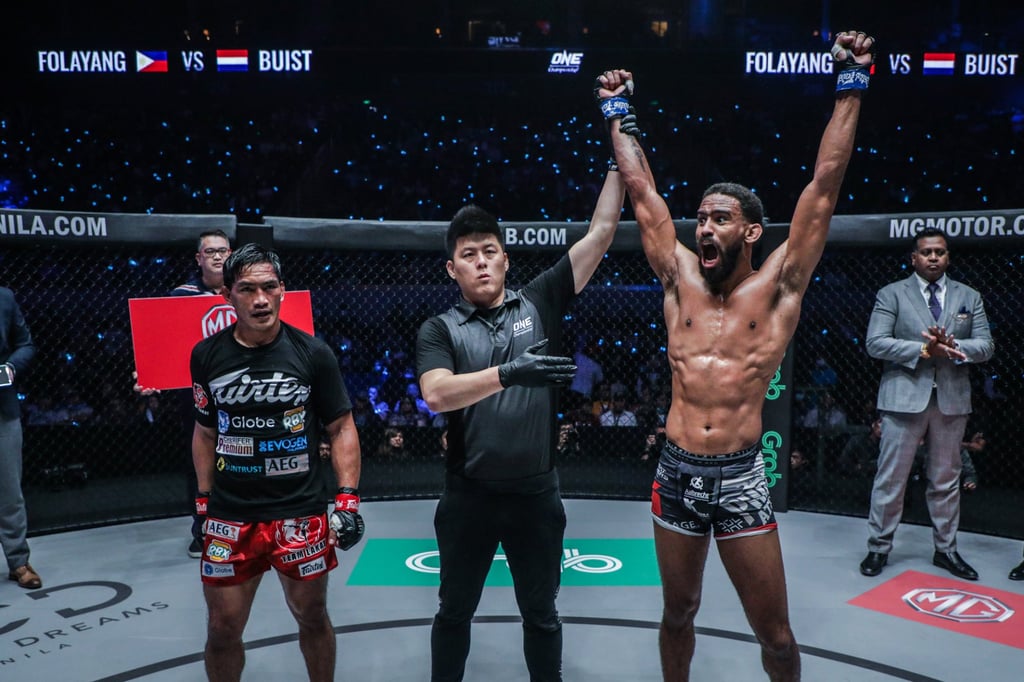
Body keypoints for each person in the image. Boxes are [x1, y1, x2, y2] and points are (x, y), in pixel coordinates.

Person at [599, 29, 874, 681]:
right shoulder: (678, 276)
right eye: (701, 218)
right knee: (677, 615)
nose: (704, 227)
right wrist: (616, 112)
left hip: (743, 478)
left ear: (750, 230)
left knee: (776, 637)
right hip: (677, 470)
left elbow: (826, 183)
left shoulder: (779, 286)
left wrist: (853, 81)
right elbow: (641, 191)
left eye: (719, 218)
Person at [415, 162, 626, 680]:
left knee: (542, 612)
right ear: (452, 269)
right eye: (469, 255)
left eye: (490, 252)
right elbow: (437, 395)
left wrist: (621, 160)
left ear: (506, 260)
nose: (481, 263)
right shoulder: (439, 329)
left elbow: (600, 234)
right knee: (454, 609)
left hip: (536, 494)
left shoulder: (540, 299)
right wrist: (510, 372)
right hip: (470, 494)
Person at [189, 243, 363, 681]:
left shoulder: (313, 354)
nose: (261, 299)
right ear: (228, 295)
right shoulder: (205, 355)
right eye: (247, 289)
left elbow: (341, 426)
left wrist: (347, 500)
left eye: (269, 287)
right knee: (222, 628)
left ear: (283, 290)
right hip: (232, 512)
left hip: (299, 508)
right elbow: (205, 432)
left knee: (312, 614)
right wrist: (205, 502)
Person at [860, 227, 994, 580]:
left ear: (948, 256)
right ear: (914, 258)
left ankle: (946, 550)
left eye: (940, 252)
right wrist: (922, 350)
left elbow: (986, 345)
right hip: (903, 398)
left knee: (946, 479)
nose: (933, 257)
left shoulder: (969, 296)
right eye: (926, 252)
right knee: (891, 478)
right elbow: (875, 342)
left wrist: (956, 348)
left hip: (951, 400)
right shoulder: (892, 294)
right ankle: (878, 547)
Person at [135, 228, 234, 558]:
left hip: (240, 392)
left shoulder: (245, 291)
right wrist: (149, 376)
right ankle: (203, 530)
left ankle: (246, 525)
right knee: (200, 462)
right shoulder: (180, 295)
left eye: (223, 250)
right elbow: (163, 348)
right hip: (197, 397)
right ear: (199, 258)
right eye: (210, 252)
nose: (218, 256)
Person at [1, 287, 40, 589]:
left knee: (9, 489)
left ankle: (18, 561)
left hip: (2, 407)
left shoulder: (4, 297)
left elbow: (25, 344)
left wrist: (9, 367)